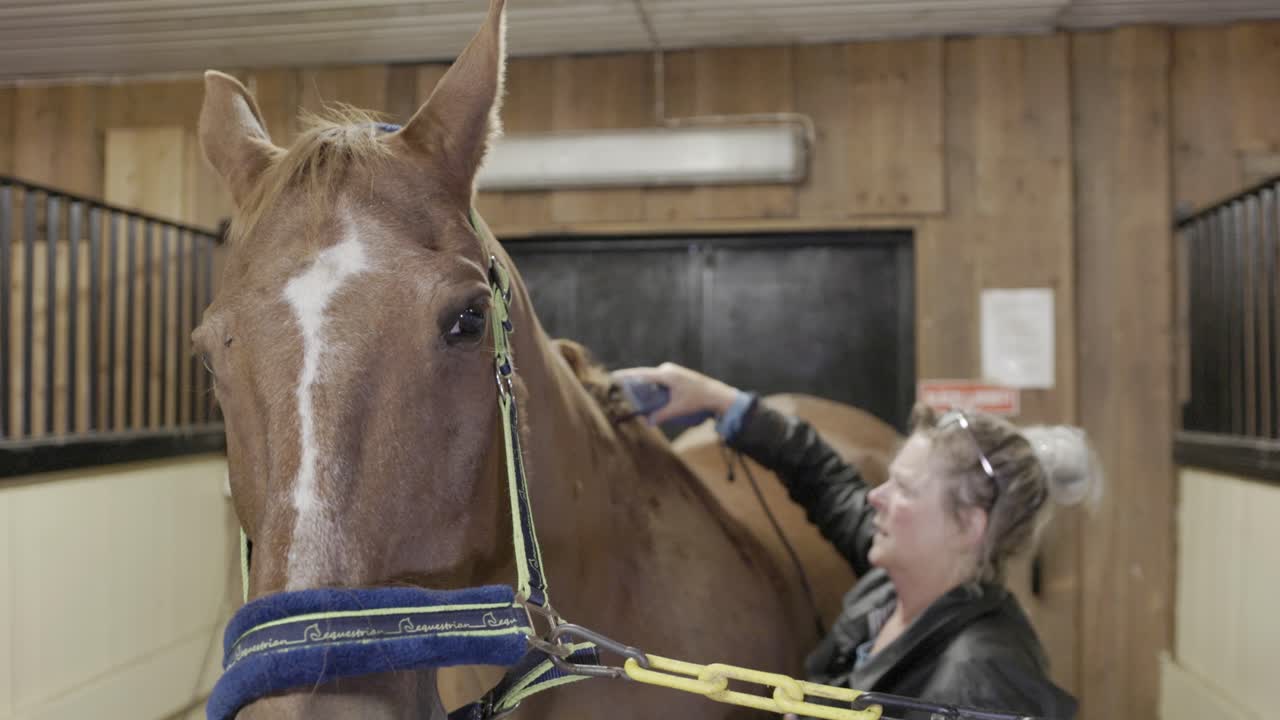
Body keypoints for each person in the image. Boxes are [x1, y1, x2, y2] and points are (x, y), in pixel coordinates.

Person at [612, 363, 1102, 719]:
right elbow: (826, 482)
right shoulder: (898, 589)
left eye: (906, 489)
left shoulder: (982, 684)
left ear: (967, 526)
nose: (877, 498)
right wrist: (718, 399)